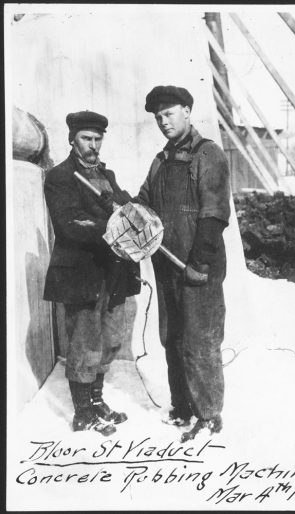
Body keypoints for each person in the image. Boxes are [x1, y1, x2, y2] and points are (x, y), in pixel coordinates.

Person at [137, 86, 231, 441]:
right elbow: (145, 202)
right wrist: (126, 208)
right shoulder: (160, 161)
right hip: (166, 267)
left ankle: (208, 416)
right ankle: (182, 407)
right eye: (158, 116)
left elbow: (214, 215)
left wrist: (200, 262)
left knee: (200, 341)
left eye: (169, 113)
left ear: (188, 111)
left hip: (197, 270)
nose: (163, 122)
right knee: (171, 338)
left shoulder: (209, 155)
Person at [44, 110, 140, 435]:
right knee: (85, 340)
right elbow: (69, 226)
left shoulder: (107, 176)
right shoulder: (60, 177)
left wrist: (133, 213)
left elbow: (128, 209)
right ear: (72, 139)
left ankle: (97, 400)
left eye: (98, 139)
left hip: (112, 272)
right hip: (81, 272)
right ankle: (83, 411)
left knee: (110, 338)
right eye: (87, 138)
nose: (93, 144)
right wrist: (114, 226)